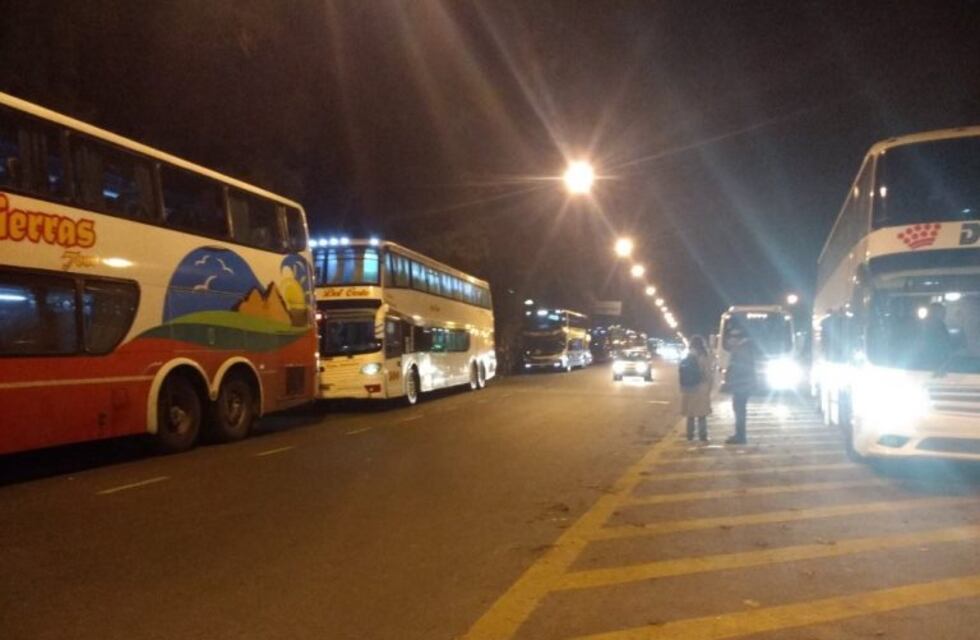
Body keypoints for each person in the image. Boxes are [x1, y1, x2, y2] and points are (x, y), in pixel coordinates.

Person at [724, 327, 756, 444]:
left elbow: (740, 369)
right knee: (739, 410)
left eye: (731, 337)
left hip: (741, 386)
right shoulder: (740, 349)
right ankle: (739, 434)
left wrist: (731, 379)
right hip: (741, 385)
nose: (729, 340)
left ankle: (740, 436)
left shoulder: (742, 350)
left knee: (739, 411)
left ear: (737, 339)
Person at [680, 335, 713, 441]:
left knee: (690, 414)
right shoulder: (704, 357)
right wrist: (710, 387)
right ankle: (702, 435)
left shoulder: (688, 356)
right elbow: (708, 374)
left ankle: (690, 435)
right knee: (701, 414)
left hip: (689, 388)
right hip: (701, 388)